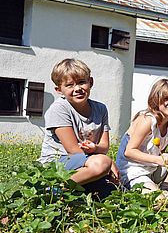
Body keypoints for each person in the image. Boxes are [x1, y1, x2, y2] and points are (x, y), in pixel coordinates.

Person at [38, 58, 118, 198]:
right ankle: (51, 190)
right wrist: (108, 162)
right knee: (102, 164)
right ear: (59, 90)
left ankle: (72, 193)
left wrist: (96, 149)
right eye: (69, 85)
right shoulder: (59, 109)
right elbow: (73, 150)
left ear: (90, 82)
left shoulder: (101, 109)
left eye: (82, 82)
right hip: (57, 163)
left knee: (113, 189)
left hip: (86, 162)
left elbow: (104, 146)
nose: (77, 89)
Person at [116, 79, 168, 193]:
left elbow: (159, 151)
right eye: (166, 99)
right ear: (156, 100)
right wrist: (160, 160)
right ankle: (160, 194)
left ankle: (167, 187)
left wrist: (164, 158)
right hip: (133, 171)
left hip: (152, 169)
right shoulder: (147, 120)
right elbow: (129, 151)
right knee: (159, 201)